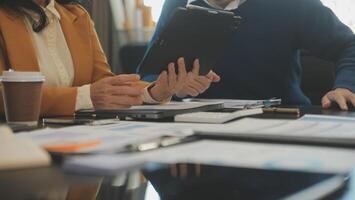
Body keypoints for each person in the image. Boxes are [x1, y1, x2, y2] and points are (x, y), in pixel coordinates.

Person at [0, 0, 221, 116]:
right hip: (20, 150)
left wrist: (157, 91)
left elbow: (105, 82)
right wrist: (84, 97)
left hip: (80, 147)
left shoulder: (77, 15)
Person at [139, 0, 355, 110]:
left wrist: (345, 86)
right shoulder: (178, 4)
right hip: (195, 133)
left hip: (280, 124)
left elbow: (349, 45)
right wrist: (163, 91)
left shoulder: (292, 4)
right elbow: (147, 74)